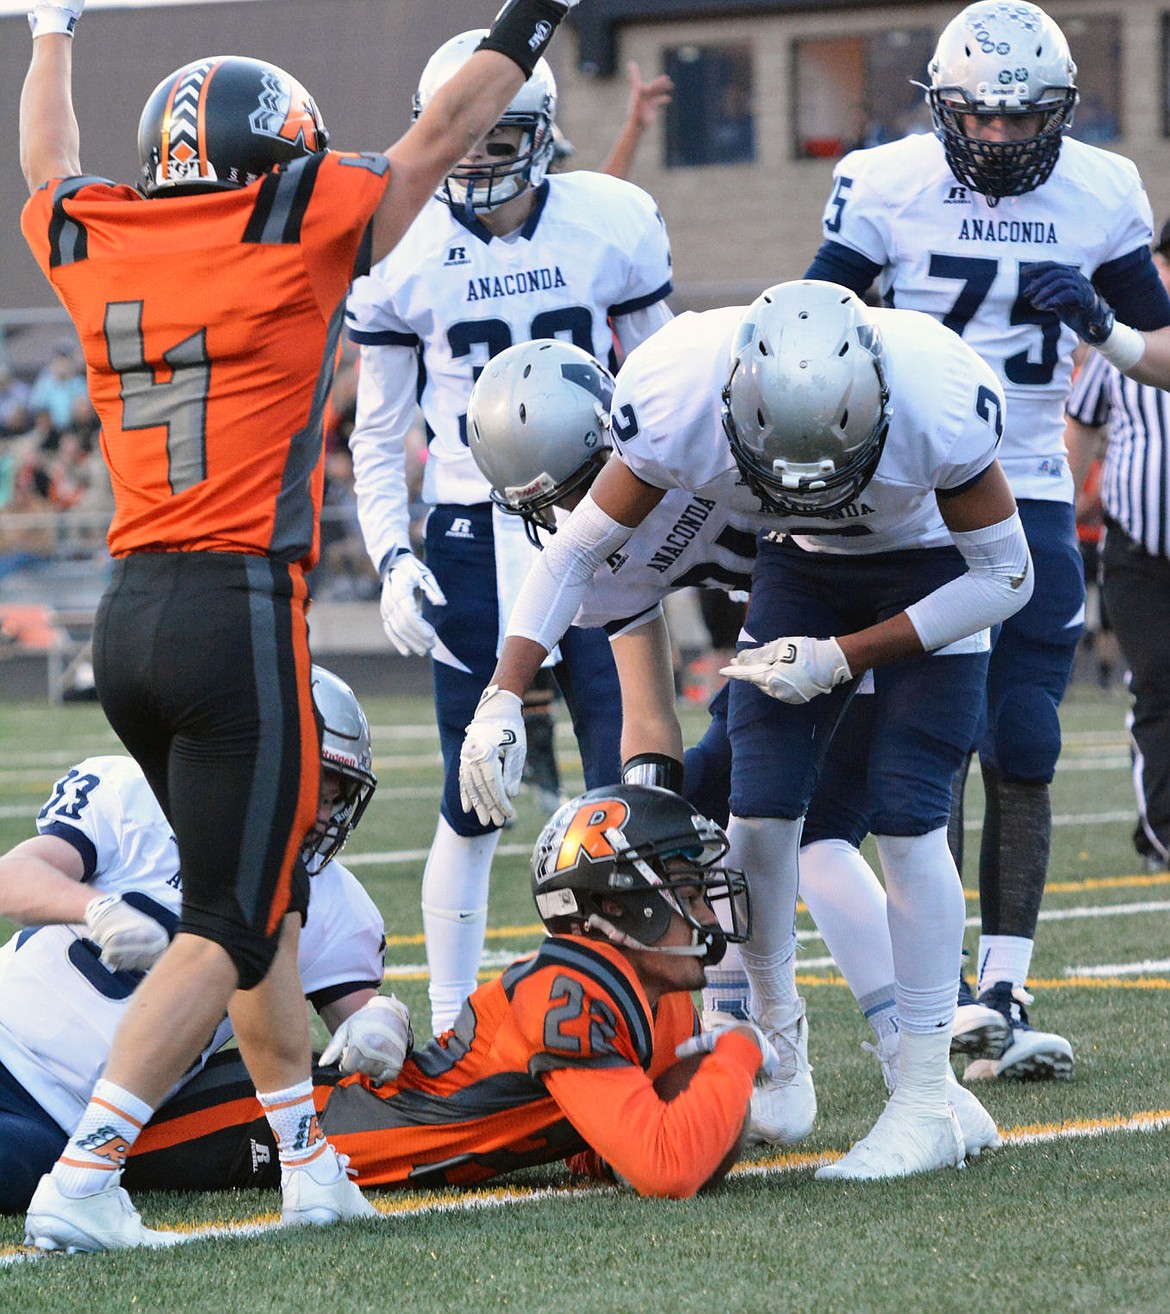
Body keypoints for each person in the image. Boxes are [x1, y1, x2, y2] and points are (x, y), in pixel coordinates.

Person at [17, 0, 582, 1251]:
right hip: (233, 610)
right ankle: (87, 1172)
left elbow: (47, 163)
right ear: (277, 155)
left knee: (254, 897)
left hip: (130, 617)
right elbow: (447, 127)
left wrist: (50, 27)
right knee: (225, 921)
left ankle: (306, 1159)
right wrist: (535, 14)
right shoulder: (294, 219)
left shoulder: (95, 231)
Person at [458, 280, 1029, 1178]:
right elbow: (573, 556)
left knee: (910, 814)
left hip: (932, 571)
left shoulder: (937, 396)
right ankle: (779, 1049)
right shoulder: (676, 398)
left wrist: (844, 656)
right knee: (757, 816)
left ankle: (922, 1093)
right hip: (800, 569)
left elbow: (1006, 577)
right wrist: (503, 693)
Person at [803, 0, 1170, 1082]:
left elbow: (1163, 353)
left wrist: (1103, 331)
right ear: (941, 108)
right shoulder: (884, 182)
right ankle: (946, 995)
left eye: (1025, 119)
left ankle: (1004, 987)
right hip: (910, 491)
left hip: (1036, 481)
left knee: (1025, 736)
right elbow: (811, 320)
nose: (1003, 138)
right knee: (928, 741)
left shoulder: (1103, 190)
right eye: (981, 118)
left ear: (1062, 112)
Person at [345, 29, 674, 1036]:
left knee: (630, 779)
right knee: (473, 790)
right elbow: (376, 430)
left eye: (501, 137)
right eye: (467, 139)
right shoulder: (394, 243)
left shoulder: (611, 220)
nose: (480, 160)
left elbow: (664, 393)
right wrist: (391, 556)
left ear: (541, 133)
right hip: (470, 529)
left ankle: (654, 1008)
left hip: (604, 516)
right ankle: (451, 1022)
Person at [114, 785, 772, 1201]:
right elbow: (667, 1167)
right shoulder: (570, 988)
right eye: (688, 896)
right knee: (45, 1162)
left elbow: (607, 1157)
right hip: (291, 1119)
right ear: (617, 906)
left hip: (347, 1120)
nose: (708, 918)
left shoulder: (664, 998)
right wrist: (738, 1052)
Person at [0, 666, 412, 1215]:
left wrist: (388, 1023)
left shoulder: (334, 903)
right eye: (317, 787)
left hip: (57, 1120)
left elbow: (364, 1042)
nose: (323, 815)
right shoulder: (134, 796)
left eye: (338, 797)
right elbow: (12, 877)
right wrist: (94, 909)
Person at [1063, 220, 1170, 877]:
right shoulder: (1118, 350)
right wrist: (1056, 511)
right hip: (1139, 549)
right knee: (1157, 686)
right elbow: (1079, 430)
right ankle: (1163, 831)